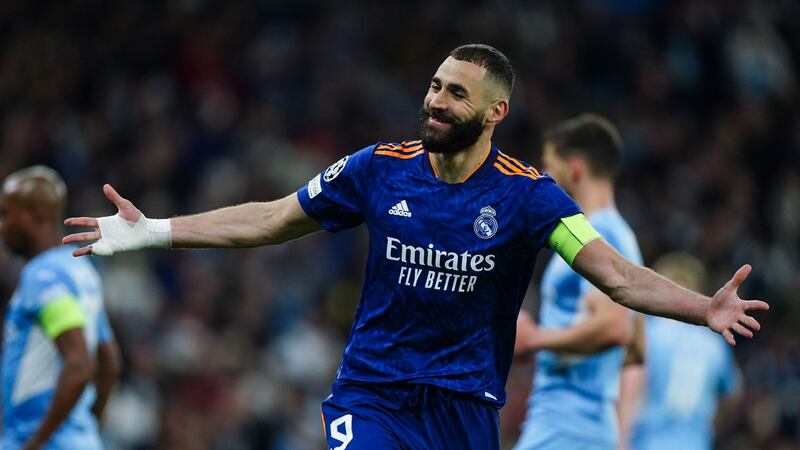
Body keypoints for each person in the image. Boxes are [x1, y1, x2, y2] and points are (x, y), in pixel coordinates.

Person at [63, 44, 766, 450]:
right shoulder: (376, 167)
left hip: (464, 410)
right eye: (433, 86)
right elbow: (272, 218)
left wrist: (700, 308)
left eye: (455, 94)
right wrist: (152, 230)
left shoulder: (532, 196)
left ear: (496, 112)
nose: (434, 101)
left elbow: (614, 276)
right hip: (374, 395)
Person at [512, 114, 642, 450]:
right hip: (580, 421)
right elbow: (636, 349)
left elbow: (616, 329)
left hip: (568, 420)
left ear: (575, 169)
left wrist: (536, 338)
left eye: (549, 167)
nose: (542, 179)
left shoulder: (603, 235)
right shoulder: (618, 238)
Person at [1, 166, 120, 450]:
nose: (2, 225)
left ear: (35, 214)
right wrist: (87, 429)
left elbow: (79, 363)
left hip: (34, 438)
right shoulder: (81, 271)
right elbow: (109, 363)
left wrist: (37, 443)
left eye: (6, 214)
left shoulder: (45, 277)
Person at [622, 252, 742, 450]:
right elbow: (733, 394)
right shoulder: (714, 344)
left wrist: (621, 438)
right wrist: (709, 426)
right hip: (696, 443)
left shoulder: (649, 333)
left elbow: (631, 384)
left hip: (648, 442)